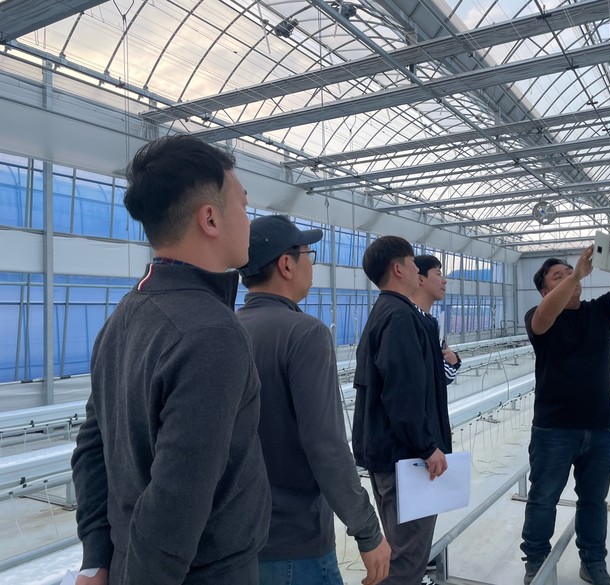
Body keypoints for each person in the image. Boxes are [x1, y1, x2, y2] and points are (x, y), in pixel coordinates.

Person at [70, 135, 271, 585]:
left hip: (129, 561)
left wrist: (96, 557)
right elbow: (173, 503)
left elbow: (91, 448)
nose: (249, 220)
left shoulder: (126, 314)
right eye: (243, 205)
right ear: (210, 218)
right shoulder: (212, 334)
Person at [235, 215, 391, 585]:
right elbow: (325, 444)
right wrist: (368, 530)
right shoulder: (304, 334)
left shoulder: (228, 329)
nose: (311, 265)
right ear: (286, 265)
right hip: (295, 544)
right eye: (309, 254)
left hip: (237, 540)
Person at [520, 220, 610, 585]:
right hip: (553, 429)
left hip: (600, 427)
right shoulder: (538, 317)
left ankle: (593, 562)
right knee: (543, 498)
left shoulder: (599, 312)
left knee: (594, 501)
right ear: (545, 289)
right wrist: (576, 273)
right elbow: (545, 316)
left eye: (569, 273)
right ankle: (536, 562)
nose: (568, 278)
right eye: (558, 276)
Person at [352, 236, 452, 584]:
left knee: (399, 550)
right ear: (399, 269)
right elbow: (402, 393)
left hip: (389, 455)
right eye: (412, 265)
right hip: (406, 459)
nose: (417, 272)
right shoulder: (399, 317)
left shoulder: (384, 312)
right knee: (408, 559)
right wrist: (427, 446)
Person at [410, 254, 462, 384]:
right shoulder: (411, 320)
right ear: (420, 279)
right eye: (438, 274)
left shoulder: (428, 320)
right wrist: (453, 362)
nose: (444, 281)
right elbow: (437, 375)